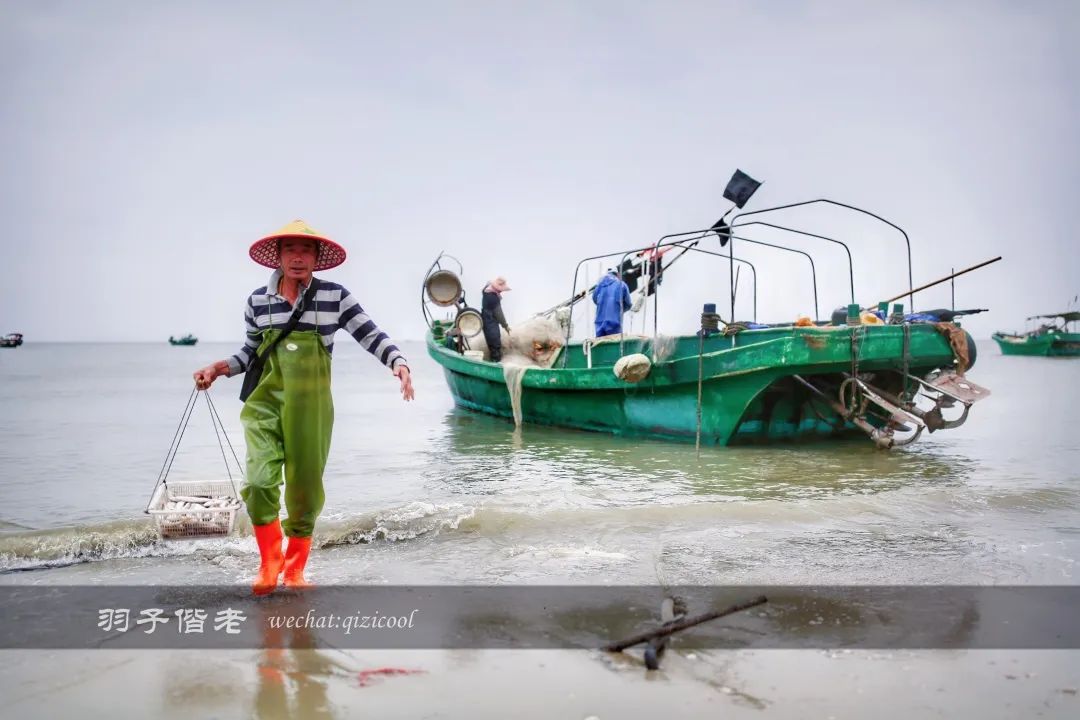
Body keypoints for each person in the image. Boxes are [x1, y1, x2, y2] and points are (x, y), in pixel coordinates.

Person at [192, 220, 414, 595]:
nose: (298, 257)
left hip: (312, 410)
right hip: (265, 405)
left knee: (305, 491)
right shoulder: (257, 302)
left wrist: (398, 363)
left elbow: (370, 333)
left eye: (306, 250)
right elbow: (251, 352)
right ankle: (269, 562)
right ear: (277, 257)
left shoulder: (335, 297)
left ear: (316, 257)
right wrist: (218, 369)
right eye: (290, 250)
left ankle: (294, 570)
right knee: (258, 482)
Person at [592, 269, 632, 337]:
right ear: (617, 274)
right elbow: (628, 304)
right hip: (614, 322)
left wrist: (602, 305)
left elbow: (594, 298)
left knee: (600, 341)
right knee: (615, 340)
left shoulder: (599, 286)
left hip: (599, 323)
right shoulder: (621, 285)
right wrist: (621, 309)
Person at [481, 276, 511, 362]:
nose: (501, 291)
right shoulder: (493, 298)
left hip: (485, 318)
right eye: (501, 290)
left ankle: (494, 359)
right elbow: (499, 314)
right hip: (490, 322)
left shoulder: (486, 291)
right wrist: (506, 326)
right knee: (495, 343)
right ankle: (495, 362)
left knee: (491, 343)